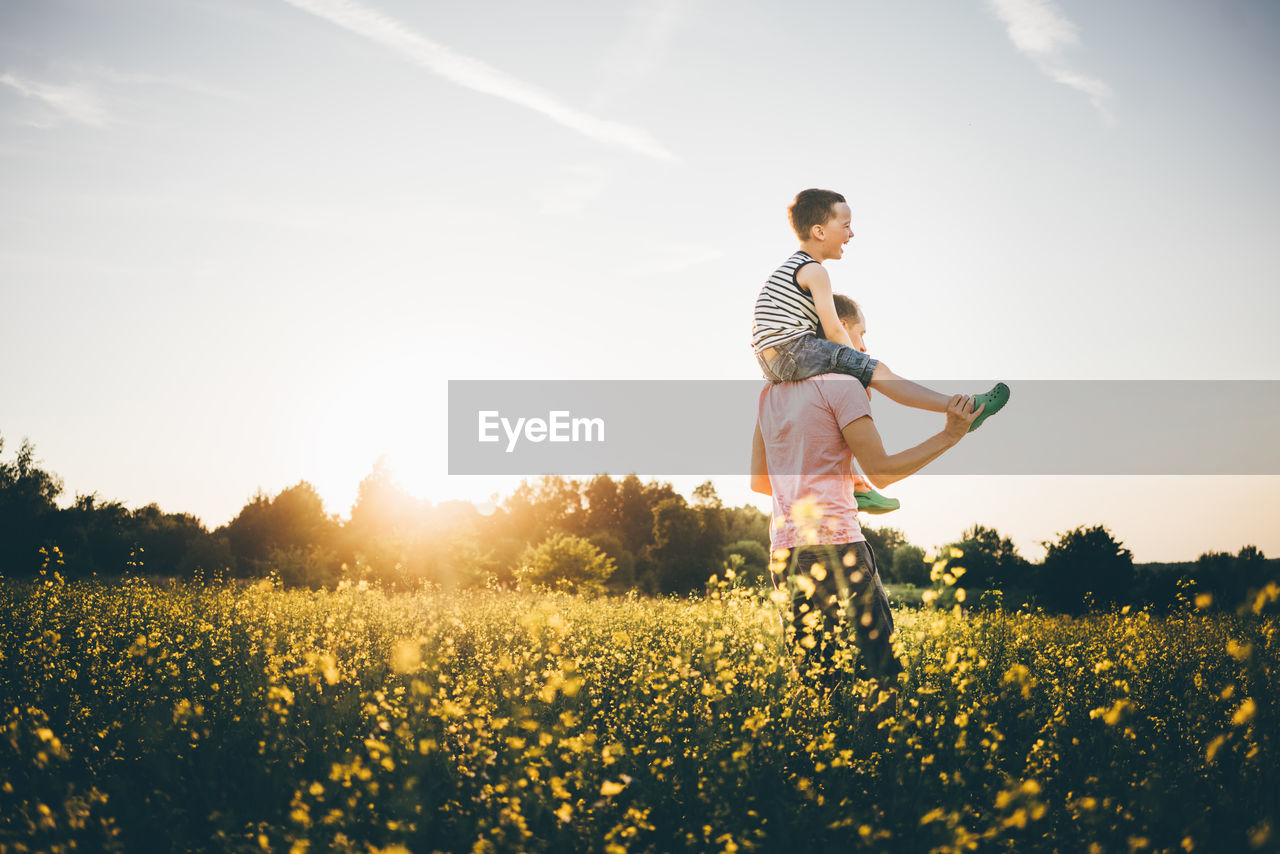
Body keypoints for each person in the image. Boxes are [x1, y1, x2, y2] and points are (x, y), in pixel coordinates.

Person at [749, 365, 981, 697]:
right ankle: (876, 751)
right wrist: (950, 435)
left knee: (816, 683)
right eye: (861, 332)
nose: (863, 344)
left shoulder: (769, 395)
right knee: (882, 676)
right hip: (835, 544)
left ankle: (795, 751)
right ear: (841, 328)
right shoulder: (842, 385)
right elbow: (883, 473)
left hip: (784, 550)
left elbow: (759, 482)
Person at [752, 188, 1009, 433]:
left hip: (770, 362)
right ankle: (962, 406)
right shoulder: (814, 270)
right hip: (792, 350)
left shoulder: (789, 268)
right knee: (879, 372)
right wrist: (858, 371)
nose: (851, 234)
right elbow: (833, 328)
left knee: (862, 378)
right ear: (819, 231)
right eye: (845, 226)